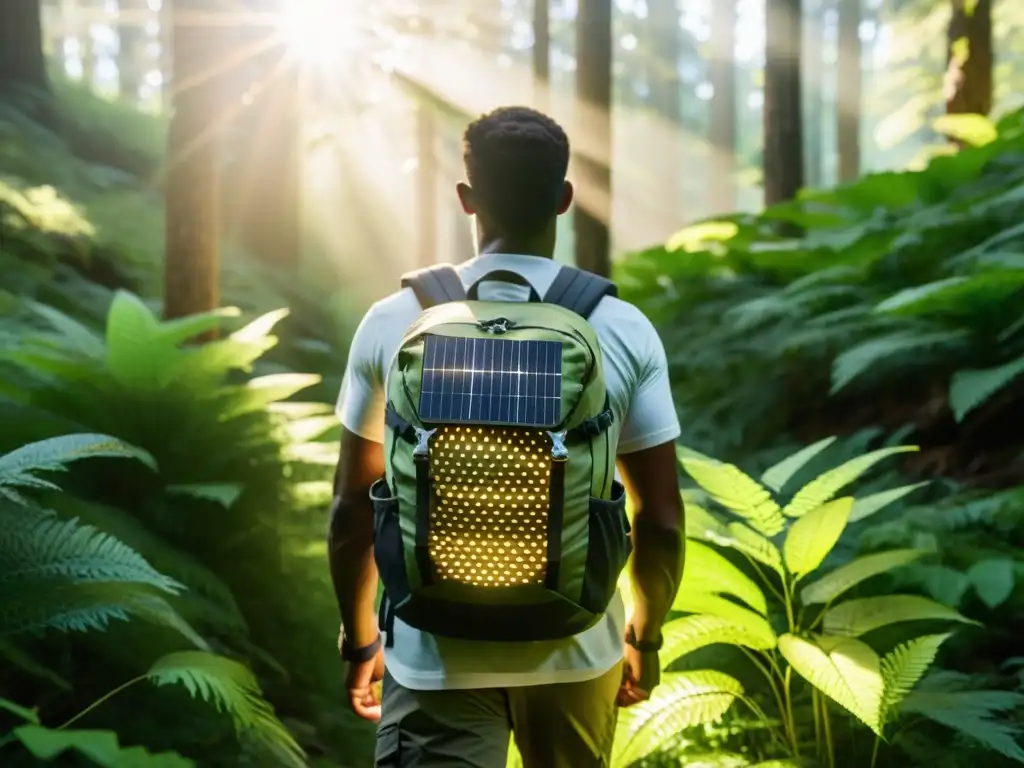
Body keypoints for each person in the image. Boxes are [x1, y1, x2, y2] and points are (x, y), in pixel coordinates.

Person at [328, 105, 685, 767]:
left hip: (432, 655)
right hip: (576, 650)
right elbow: (659, 519)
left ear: (466, 198)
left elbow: (352, 508)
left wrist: (362, 641)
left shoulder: (394, 320)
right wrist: (645, 637)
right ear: (565, 198)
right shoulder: (622, 327)